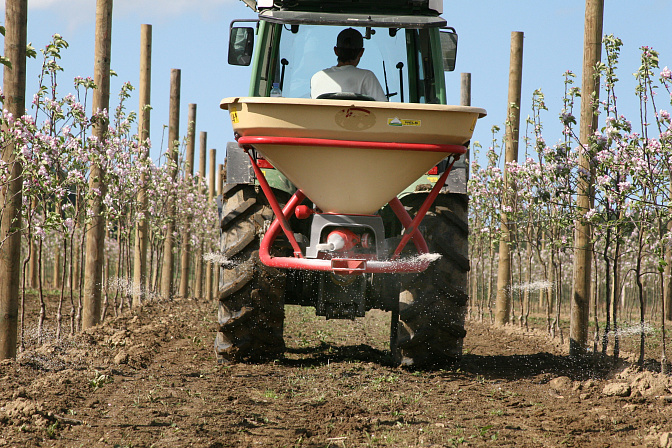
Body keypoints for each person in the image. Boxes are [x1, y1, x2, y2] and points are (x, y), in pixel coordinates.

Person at [310, 28, 388, 102]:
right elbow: (384, 110)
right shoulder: (367, 76)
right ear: (361, 52)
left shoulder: (317, 77)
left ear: (335, 51)